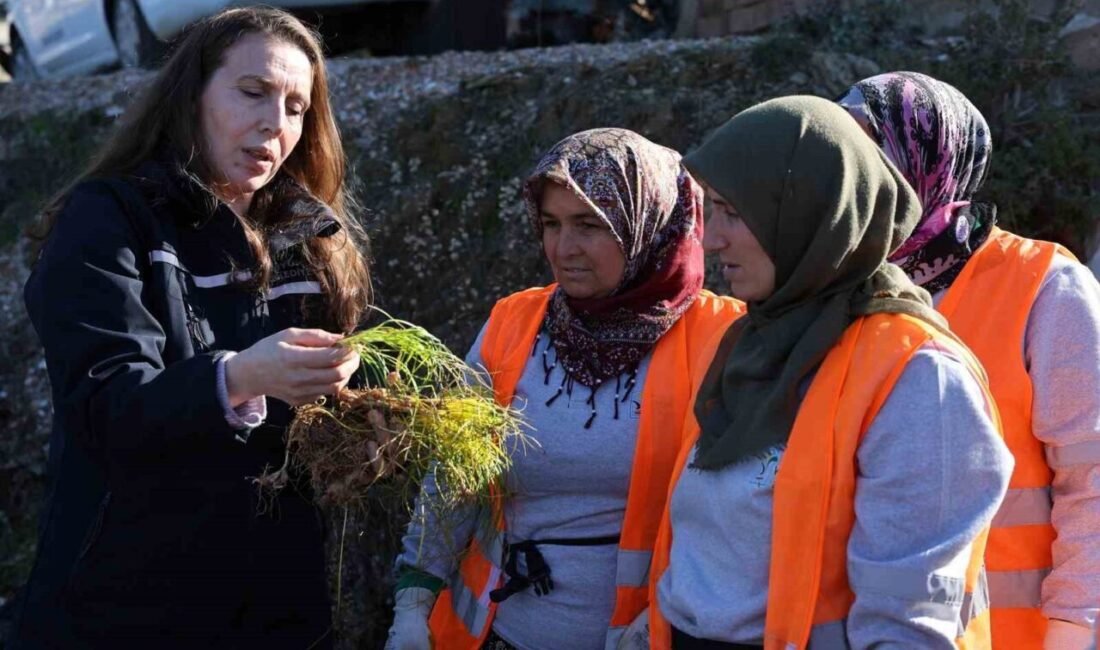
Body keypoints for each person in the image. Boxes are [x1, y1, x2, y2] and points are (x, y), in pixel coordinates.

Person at [12, 7, 371, 648]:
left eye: (296, 107)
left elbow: (325, 414)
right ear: (191, 96)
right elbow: (108, 404)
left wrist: (366, 405)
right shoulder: (110, 219)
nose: (274, 122)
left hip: (276, 606)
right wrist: (241, 375)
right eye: (253, 91)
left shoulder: (310, 235)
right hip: (127, 606)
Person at [640, 96, 1013, 649]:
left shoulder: (919, 377)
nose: (712, 239)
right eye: (711, 210)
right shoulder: (752, 342)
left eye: (735, 214)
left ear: (811, 214)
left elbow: (908, 625)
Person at [384, 128, 745, 650]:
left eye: (589, 225)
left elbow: (742, 517)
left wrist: (663, 618)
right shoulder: (514, 323)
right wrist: (413, 601)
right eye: (551, 224)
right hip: (501, 635)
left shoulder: (722, 338)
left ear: (647, 224)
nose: (563, 248)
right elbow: (452, 478)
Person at [838, 70, 1100, 649]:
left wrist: (1075, 630)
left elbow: (1093, 481)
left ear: (924, 158)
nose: (849, 174)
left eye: (868, 150)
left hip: (1019, 634)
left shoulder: (1046, 285)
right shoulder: (837, 288)